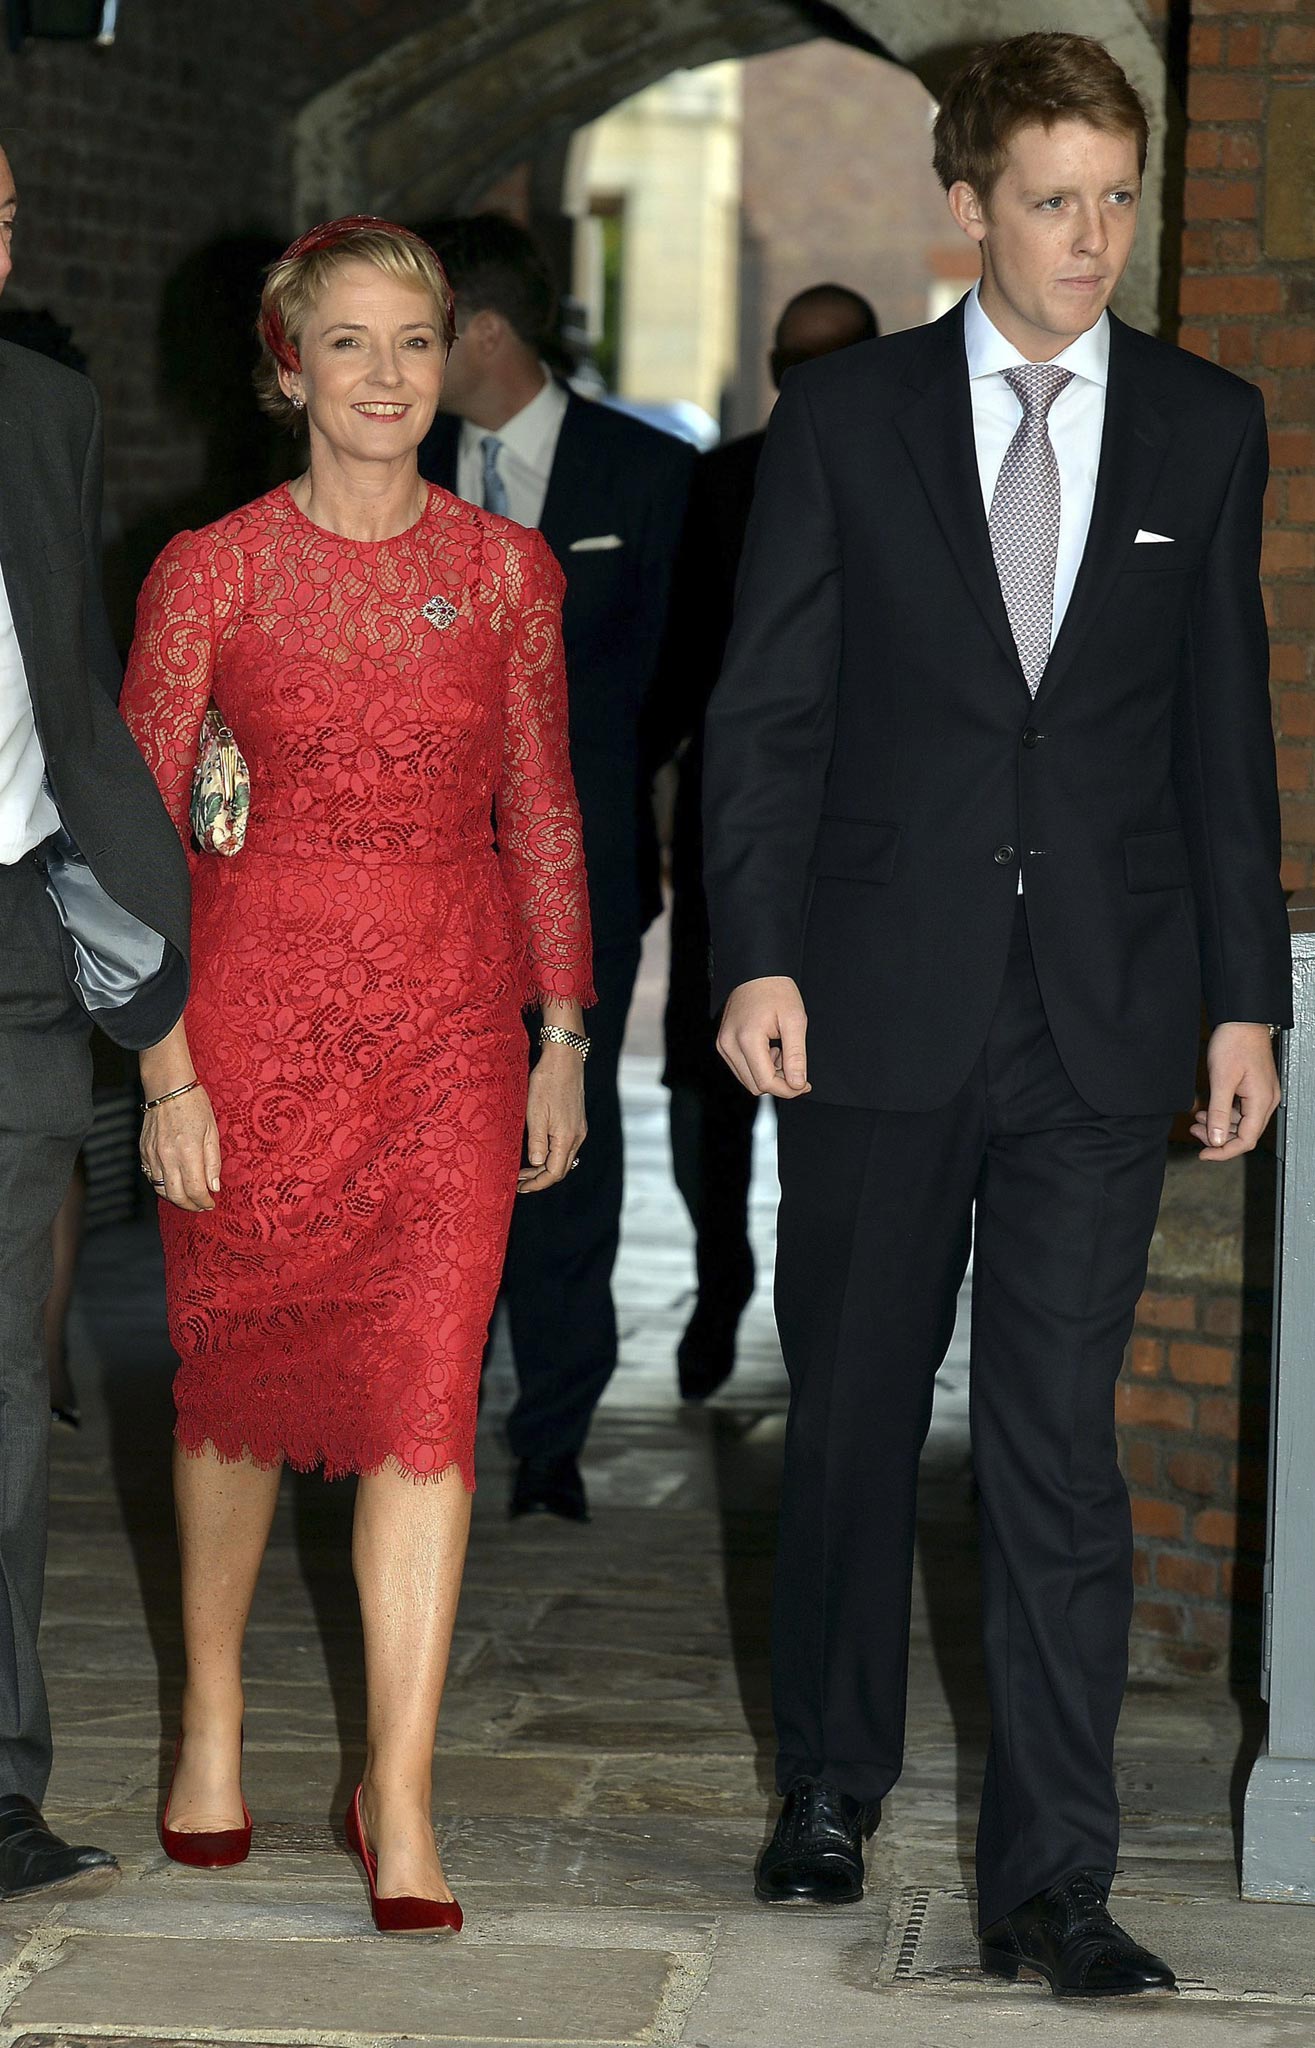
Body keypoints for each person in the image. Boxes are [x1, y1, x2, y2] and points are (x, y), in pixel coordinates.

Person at [703, 32, 1291, 1998]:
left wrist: (1244, 999)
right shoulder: (849, 420)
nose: (1091, 238)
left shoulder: (1206, 427)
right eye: (1053, 200)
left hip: (1103, 1019)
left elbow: (1223, 733)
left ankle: (1058, 1871)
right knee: (859, 1412)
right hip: (872, 995)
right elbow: (765, 713)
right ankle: (831, 1777)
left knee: (1054, 1440)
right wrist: (753, 954)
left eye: (1115, 200)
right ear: (965, 208)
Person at [120, 216, 594, 1933]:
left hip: (452, 1032)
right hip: (248, 1024)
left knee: (422, 1397)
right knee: (238, 1385)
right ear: (288, 363)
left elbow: (542, 805)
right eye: (352, 344)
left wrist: (563, 1031)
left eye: (416, 341)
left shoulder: (505, 574)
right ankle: (215, 1707)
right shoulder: (213, 572)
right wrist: (165, 1065)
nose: (389, 376)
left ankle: (398, 1784)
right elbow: (130, 834)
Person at [417, 214, 692, 1522]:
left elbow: (689, 669)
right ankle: (423, 1417)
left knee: (558, 1147)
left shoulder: (645, 474)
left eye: (419, 331)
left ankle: (551, 1437)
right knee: (421, 1150)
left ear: (481, 331)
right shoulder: (390, 460)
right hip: (406, 879)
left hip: (575, 870)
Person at [0, 143, 191, 1899]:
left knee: (3, 1386)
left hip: (8, 948)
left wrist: (137, 915)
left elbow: (66, 680)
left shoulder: (42, 409)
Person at [654, 285, 878, 1401]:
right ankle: (718, 1273)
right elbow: (683, 658)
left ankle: (822, 1301)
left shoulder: (922, 467)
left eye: (832, 363)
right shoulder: (725, 479)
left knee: (840, 1079)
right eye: (793, 361)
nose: (809, 385)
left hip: (868, 836)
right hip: (733, 821)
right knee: (706, 1072)